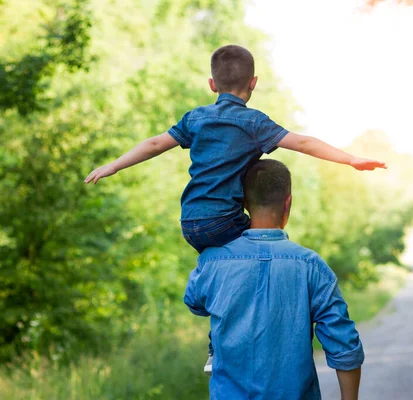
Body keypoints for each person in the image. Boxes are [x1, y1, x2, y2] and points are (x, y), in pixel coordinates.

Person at [84, 44, 382, 371]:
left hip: (191, 222)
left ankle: (216, 342)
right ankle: (228, 343)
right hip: (225, 221)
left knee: (222, 269)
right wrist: (351, 159)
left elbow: (155, 143)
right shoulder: (253, 123)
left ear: (212, 84)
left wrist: (113, 165)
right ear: (253, 83)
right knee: (266, 246)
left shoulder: (195, 118)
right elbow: (303, 142)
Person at [184, 159, 363, 400]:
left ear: (244, 203)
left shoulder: (212, 261)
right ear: (288, 201)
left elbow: (194, 303)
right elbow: (344, 345)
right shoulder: (312, 266)